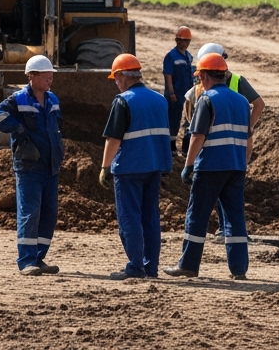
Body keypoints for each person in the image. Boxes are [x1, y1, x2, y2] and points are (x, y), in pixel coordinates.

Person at [164, 52, 251, 280]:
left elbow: (197, 136)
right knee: (234, 218)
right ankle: (239, 268)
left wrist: (189, 165)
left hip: (211, 166)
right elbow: (247, 136)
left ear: (204, 76)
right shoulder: (242, 101)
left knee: (198, 215)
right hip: (236, 166)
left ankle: (189, 265)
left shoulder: (207, 99)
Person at [0, 55, 65, 276]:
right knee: (30, 213)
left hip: (50, 165)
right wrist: (19, 130)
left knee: (49, 214)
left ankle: (39, 257)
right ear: (32, 76)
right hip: (29, 167)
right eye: (46, 75)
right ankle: (26, 261)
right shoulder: (19, 99)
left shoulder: (53, 99)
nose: (50, 79)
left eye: (51, 75)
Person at [100, 54, 173, 280]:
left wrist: (105, 167)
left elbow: (113, 139)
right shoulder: (159, 99)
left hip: (130, 168)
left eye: (116, 78)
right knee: (150, 217)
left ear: (123, 76)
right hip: (155, 166)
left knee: (129, 217)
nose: (115, 83)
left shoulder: (123, 101)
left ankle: (135, 267)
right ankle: (150, 267)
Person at [182, 43, 266, 154]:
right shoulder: (196, 89)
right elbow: (190, 117)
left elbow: (259, 104)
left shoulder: (237, 81)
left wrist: (248, 127)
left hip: (227, 140)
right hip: (211, 142)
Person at [162, 26, 195, 151]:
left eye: (185, 41)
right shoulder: (171, 56)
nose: (183, 43)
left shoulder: (188, 56)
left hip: (186, 93)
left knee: (188, 118)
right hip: (175, 93)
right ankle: (171, 146)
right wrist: (171, 92)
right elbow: (168, 75)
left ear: (189, 42)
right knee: (173, 119)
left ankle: (185, 146)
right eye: (180, 40)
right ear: (176, 41)